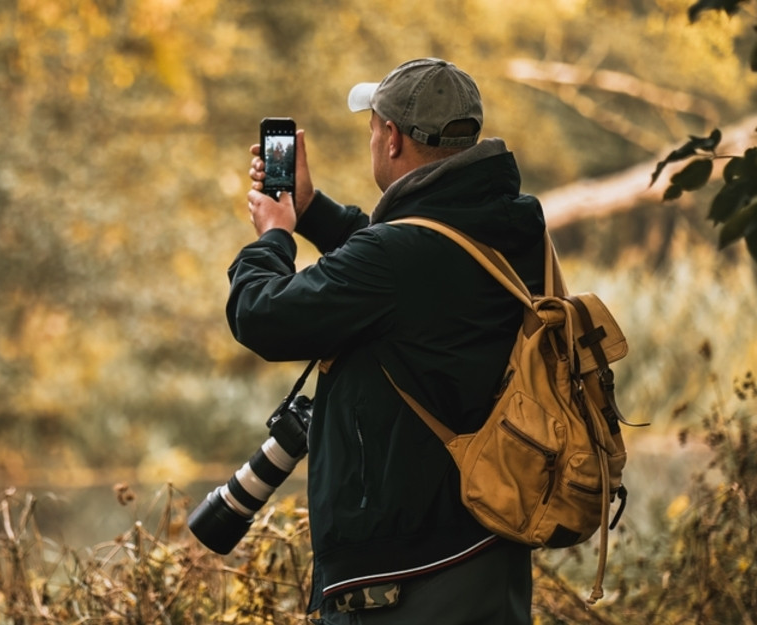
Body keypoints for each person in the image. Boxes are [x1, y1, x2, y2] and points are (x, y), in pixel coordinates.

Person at [228, 58, 544, 624]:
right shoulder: (512, 229)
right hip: (492, 555)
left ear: (392, 138)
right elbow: (415, 263)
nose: (374, 139)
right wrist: (311, 209)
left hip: (402, 580)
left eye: (373, 127)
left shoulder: (397, 261)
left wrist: (274, 237)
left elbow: (263, 316)